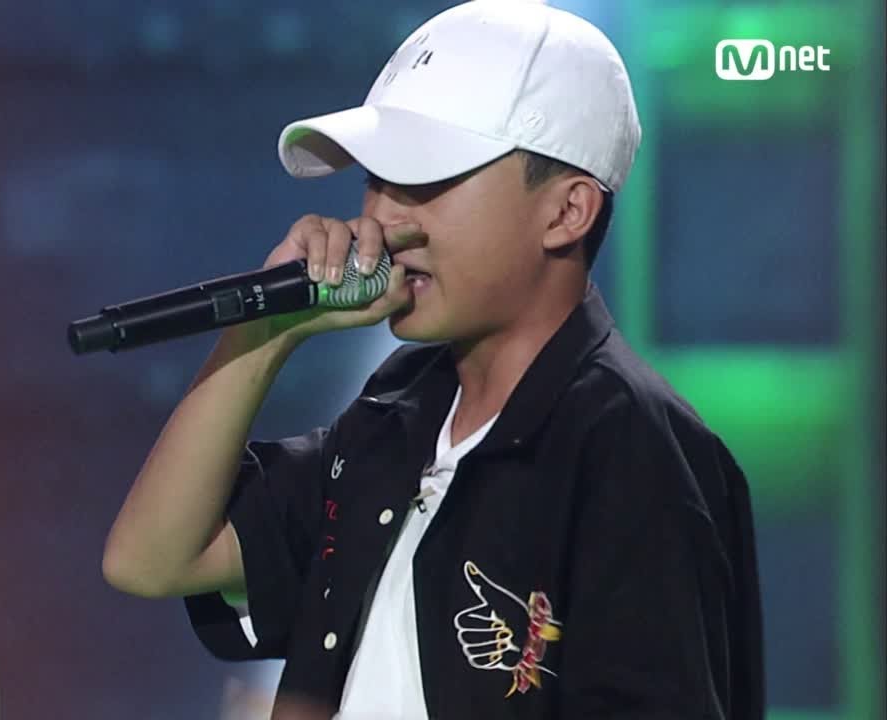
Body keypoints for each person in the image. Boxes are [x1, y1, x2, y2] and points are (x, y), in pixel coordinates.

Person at [102, 2, 764, 718]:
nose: (383, 218)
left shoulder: (632, 448)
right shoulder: (394, 416)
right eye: (376, 179)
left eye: (425, 180)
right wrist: (266, 332)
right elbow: (150, 560)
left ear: (566, 212)